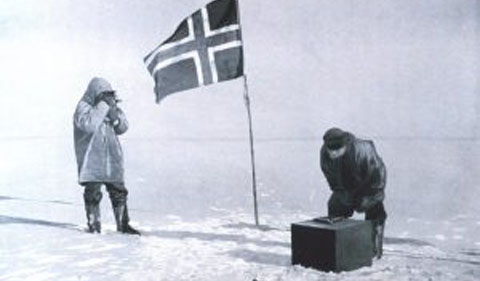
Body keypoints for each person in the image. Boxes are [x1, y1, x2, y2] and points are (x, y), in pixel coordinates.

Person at [73, 77, 140, 235]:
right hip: (92, 158)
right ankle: (94, 225)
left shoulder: (110, 106)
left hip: (111, 156)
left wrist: (115, 118)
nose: (107, 97)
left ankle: (123, 225)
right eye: (103, 94)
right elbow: (89, 126)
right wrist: (104, 106)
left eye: (109, 94)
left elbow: (123, 128)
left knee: (118, 191)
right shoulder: (83, 107)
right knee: (93, 192)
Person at [320, 127, 386, 258]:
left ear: (345, 146)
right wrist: (340, 193)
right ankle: (339, 244)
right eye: (330, 150)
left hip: (369, 184)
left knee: (375, 210)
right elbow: (330, 176)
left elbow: (377, 173)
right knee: (334, 204)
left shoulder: (363, 150)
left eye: (337, 150)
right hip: (346, 185)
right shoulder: (325, 153)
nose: (333, 153)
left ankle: (373, 247)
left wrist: (371, 195)